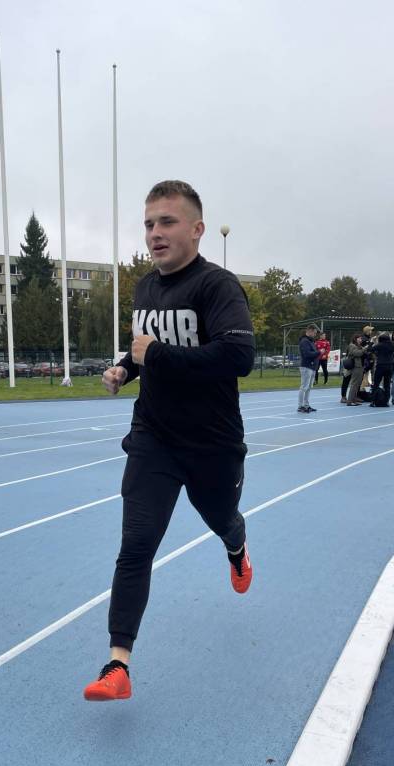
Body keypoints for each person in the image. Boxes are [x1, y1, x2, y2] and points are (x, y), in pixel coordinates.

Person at [82, 180, 255, 702]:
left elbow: (238, 357)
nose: (154, 233)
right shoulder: (144, 289)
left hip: (212, 444)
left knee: (221, 518)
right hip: (153, 437)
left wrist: (152, 355)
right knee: (136, 545)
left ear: (197, 229)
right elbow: (146, 350)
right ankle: (118, 665)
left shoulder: (217, 287)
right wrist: (125, 368)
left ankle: (237, 546)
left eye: (167, 222)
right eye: (149, 224)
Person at [297, 324, 320, 412]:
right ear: (310, 331)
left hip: (312, 367)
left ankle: (306, 405)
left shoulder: (310, 341)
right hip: (306, 366)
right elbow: (307, 354)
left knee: (309, 387)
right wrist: (318, 352)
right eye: (314, 333)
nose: (315, 335)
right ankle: (300, 406)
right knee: (304, 387)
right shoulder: (304, 341)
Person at [370, 332, 394, 405]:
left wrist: (372, 343)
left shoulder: (380, 345)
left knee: (376, 383)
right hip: (390, 365)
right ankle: (386, 401)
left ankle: (373, 401)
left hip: (381, 365)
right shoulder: (392, 344)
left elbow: (370, 349)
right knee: (387, 384)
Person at [345, 334, 368, 405]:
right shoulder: (352, 345)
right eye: (359, 338)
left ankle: (353, 399)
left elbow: (364, 353)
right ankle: (350, 401)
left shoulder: (359, 346)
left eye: (361, 338)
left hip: (360, 366)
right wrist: (364, 349)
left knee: (357, 384)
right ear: (355, 339)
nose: (361, 340)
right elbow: (357, 353)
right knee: (354, 384)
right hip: (356, 366)